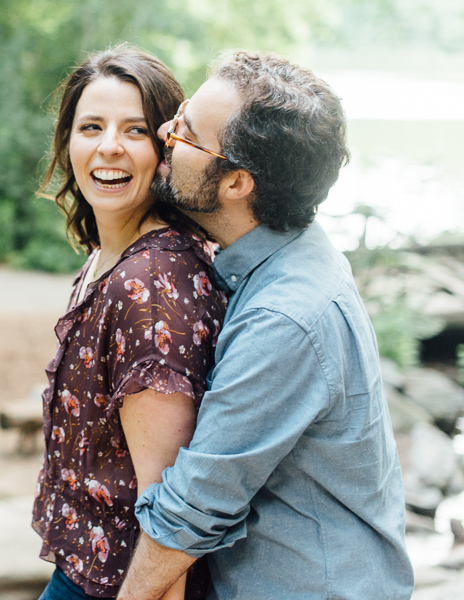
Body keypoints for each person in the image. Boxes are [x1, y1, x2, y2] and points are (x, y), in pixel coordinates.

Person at [117, 51, 415, 600]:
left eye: (186, 131)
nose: (164, 130)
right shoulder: (294, 252)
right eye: (180, 112)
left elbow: (195, 507)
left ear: (235, 184)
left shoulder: (285, 318)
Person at [32, 46, 226, 600]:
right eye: (90, 126)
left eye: (135, 130)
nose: (108, 146)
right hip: (82, 571)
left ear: (166, 148)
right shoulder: (109, 254)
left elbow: (169, 516)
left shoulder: (149, 287)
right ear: (67, 140)